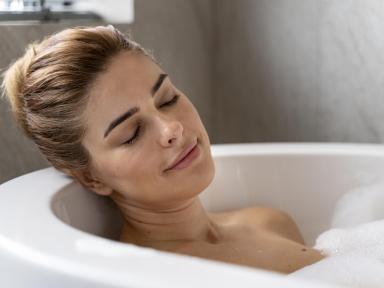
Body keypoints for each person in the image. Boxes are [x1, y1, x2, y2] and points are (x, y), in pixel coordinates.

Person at [1, 25, 325, 274]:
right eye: (131, 133)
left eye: (167, 98)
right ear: (91, 178)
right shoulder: (154, 277)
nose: (172, 129)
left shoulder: (269, 221)